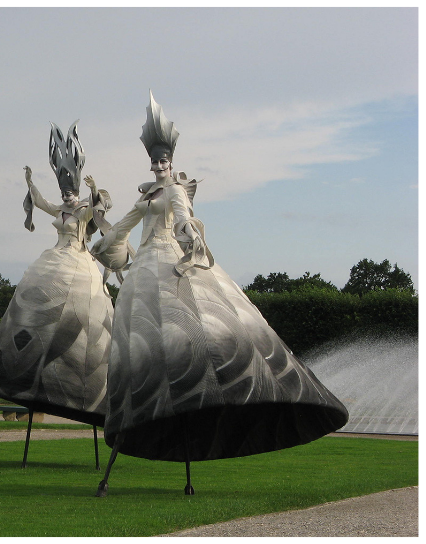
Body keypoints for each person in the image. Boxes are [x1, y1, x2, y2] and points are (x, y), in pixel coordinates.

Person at [92, 91, 348, 495]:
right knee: (144, 339)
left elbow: (183, 216)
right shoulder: (145, 197)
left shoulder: (173, 190)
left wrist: (188, 235)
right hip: (145, 267)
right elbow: (125, 226)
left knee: (197, 327)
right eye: (154, 161)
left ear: (171, 162)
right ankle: (148, 409)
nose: (159, 165)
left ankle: (224, 387)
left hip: (169, 260)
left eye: (163, 160)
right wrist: (106, 238)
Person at [0, 121, 114, 427]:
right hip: (55, 257)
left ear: (75, 191)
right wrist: (29, 180)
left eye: (69, 192)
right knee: (32, 299)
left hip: (78, 259)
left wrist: (91, 188)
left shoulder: (82, 211)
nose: (65, 197)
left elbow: (99, 207)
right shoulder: (61, 210)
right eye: (63, 192)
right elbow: (39, 201)